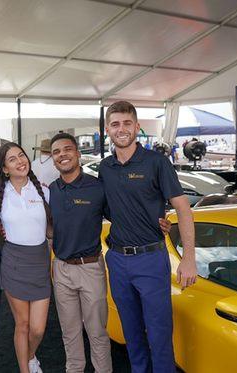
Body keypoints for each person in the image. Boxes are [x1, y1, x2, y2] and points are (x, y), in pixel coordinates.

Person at [49, 133, 173, 373]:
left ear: (77, 153)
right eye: (56, 152)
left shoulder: (98, 187)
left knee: (96, 332)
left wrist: (157, 222)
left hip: (91, 266)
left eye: (67, 149)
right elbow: (49, 223)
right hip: (61, 268)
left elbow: (124, 213)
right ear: (53, 159)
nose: (62, 155)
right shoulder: (51, 190)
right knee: (70, 333)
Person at [98, 101, 197, 372]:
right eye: (116, 124)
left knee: (159, 335)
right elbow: (107, 210)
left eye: (127, 123)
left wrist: (189, 258)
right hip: (117, 260)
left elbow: (183, 208)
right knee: (132, 335)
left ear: (137, 127)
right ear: (108, 129)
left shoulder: (156, 162)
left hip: (151, 260)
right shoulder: (105, 168)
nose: (122, 129)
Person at [0, 142, 51, 373]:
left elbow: (52, 229)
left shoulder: (44, 191)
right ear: (5, 169)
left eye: (22, 155)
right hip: (13, 263)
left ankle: (30, 355)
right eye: (12, 159)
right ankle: (24, 369)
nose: (20, 161)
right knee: (23, 325)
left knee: (38, 329)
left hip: (39, 263)